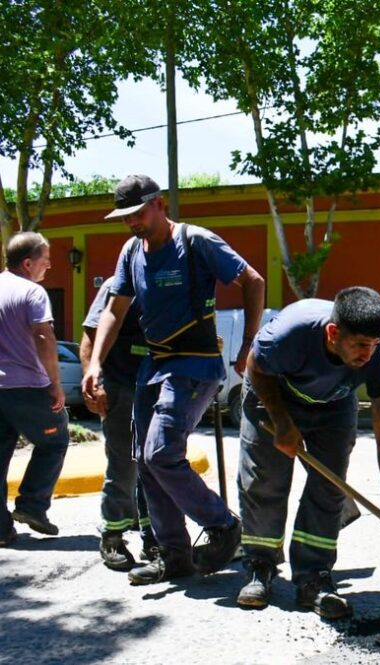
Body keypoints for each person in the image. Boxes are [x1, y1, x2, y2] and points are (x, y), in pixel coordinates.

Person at [83, 174, 265, 585]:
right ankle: (174, 555)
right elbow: (114, 310)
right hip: (154, 367)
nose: (132, 222)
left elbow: (253, 280)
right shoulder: (131, 251)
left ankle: (223, 526)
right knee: (146, 461)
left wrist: (248, 342)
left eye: (138, 213)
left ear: (160, 204)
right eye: (125, 217)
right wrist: (94, 363)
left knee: (161, 452)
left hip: (195, 364)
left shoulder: (196, 241)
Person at [235, 287, 380, 619]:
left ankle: (313, 576)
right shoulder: (291, 333)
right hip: (273, 390)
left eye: (374, 344)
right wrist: (282, 422)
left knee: (329, 484)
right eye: (360, 345)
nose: (368, 354)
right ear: (333, 333)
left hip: (334, 403)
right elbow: (256, 367)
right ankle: (260, 565)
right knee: (264, 478)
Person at [80, 276, 157, 570]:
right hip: (120, 386)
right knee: (123, 463)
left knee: (157, 464)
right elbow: (90, 336)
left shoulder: (171, 279)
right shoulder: (117, 285)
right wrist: (93, 381)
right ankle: (112, 535)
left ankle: (153, 536)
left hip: (158, 386)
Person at [0, 232, 70, 545]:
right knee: (55, 441)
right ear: (28, 263)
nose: (49, 266)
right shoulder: (32, 292)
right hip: (27, 386)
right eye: (45, 260)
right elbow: (44, 336)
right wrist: (55, 383)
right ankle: (32, 505)